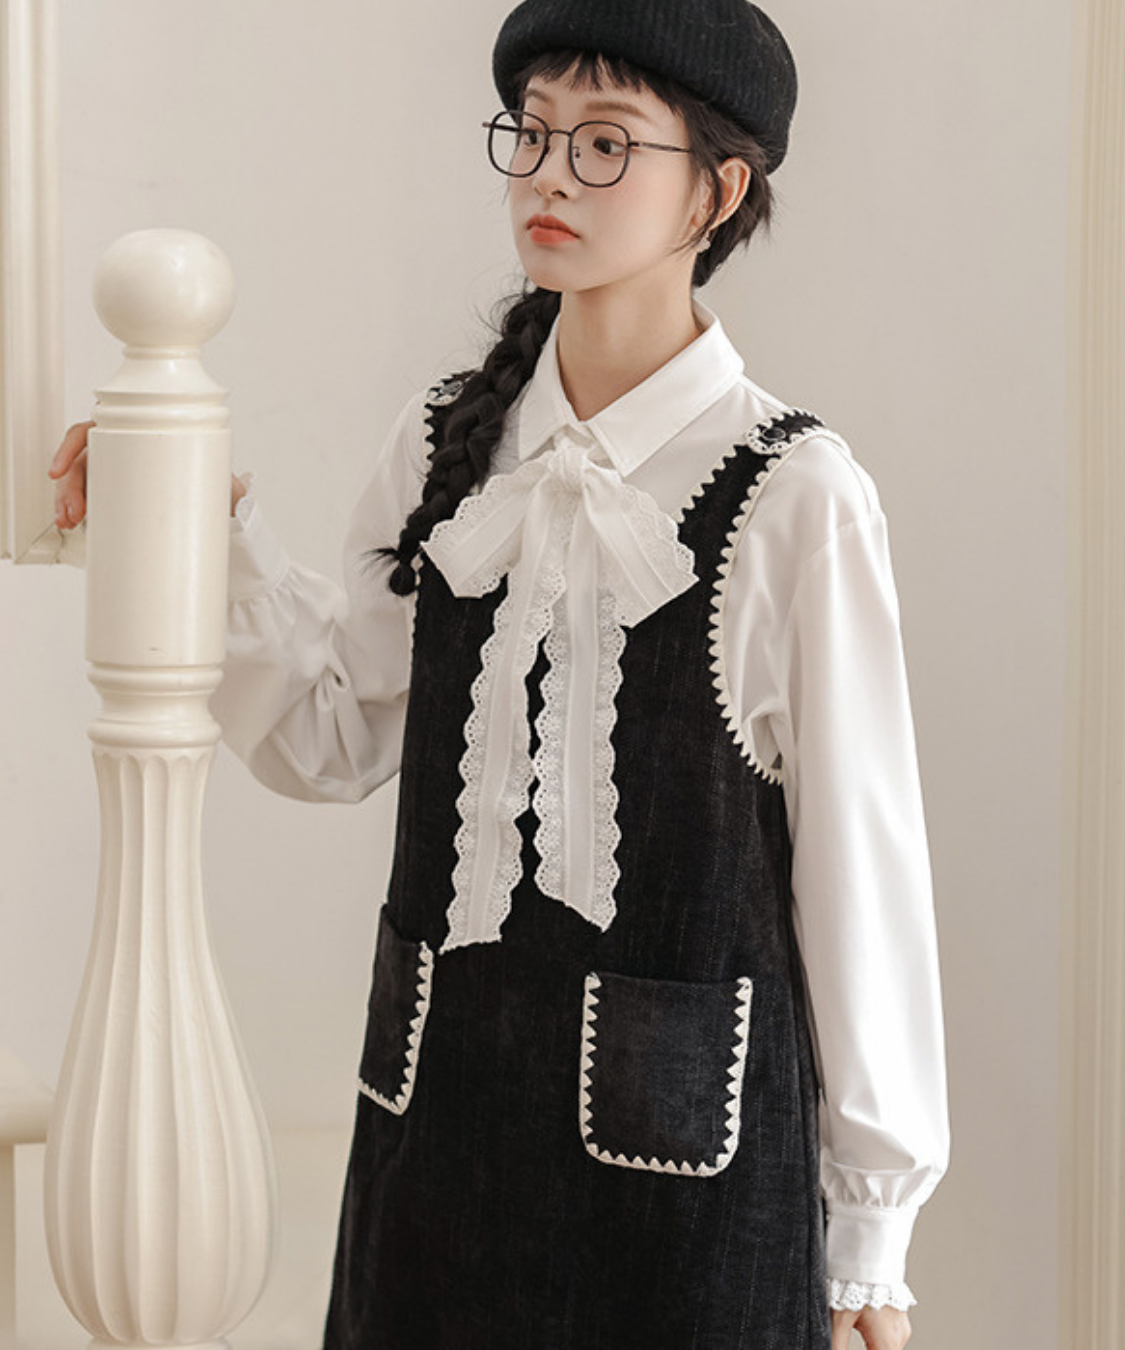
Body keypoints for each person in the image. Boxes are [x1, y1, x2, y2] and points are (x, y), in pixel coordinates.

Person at [50, 2, 949, 1346]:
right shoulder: (448, 445)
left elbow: (861, 872)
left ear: (717, 192)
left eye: (606, 144)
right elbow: (330, 735)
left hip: (693, 1196)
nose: (548, 177)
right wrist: (190, 518)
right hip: (432, 1154)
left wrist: (872, 1235)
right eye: (531, 133)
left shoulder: (793, 493)